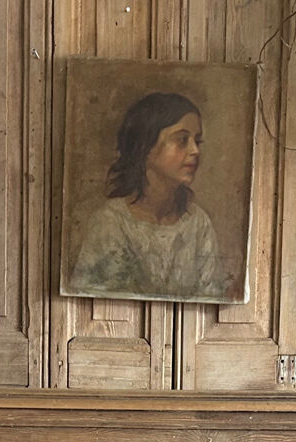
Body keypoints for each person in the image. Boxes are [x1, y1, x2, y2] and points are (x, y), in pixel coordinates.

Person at [69, 92, 228, 301]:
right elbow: (91, 299)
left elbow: (212, 299)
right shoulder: (110, 223)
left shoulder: (198, 224)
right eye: (182, 140)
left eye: (197, 141)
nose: (195, 150)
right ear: (146, 147)